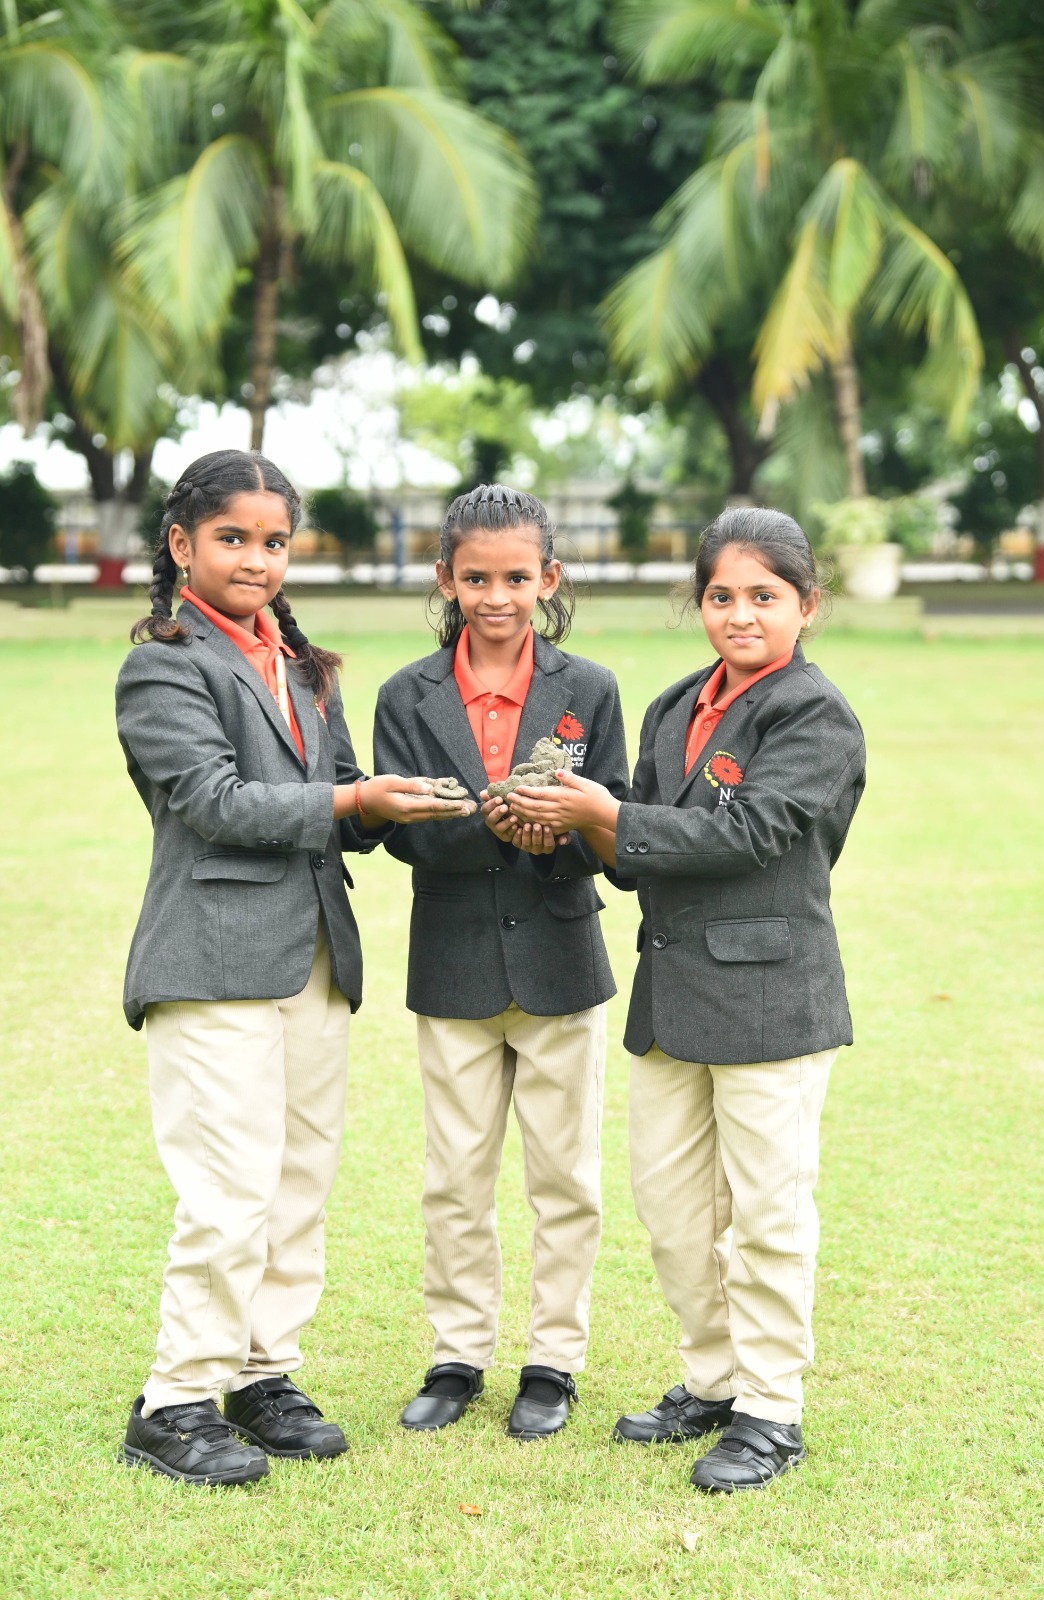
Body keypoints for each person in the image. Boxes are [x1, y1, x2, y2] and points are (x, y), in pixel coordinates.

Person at [115, 449, 469, 1486]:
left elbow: (342, 799)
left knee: (297, 1181)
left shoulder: (306, 667)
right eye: (232, 538)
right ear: (181, 545)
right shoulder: (164, 666)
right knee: (228, 1189)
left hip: (314, 954)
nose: (256, 560)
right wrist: (355, 801)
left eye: (274, 542)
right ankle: (176, 1398)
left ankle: (262, 1374)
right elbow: (214, 803)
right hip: (211, 957)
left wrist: (410, 802)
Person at [506, 507, 865, 1491]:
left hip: (773, 1002)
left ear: (807, 605)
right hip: (671, 999)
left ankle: (771, 1408)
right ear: (697, 601)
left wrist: (608, 812)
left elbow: (751, 835)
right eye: (721, 595)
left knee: (767, 1217)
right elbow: (634, 856)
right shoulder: (674, 707)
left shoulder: (815, 715)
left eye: (764, 596)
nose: (740, 614)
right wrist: (563, 822)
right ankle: (712, 1380)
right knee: (671, 1212)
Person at [373, 484, 629, 1440]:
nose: (496, 596)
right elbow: (400, 829)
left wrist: (554, 835)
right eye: (476, 578)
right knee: (455, 1176)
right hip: (452, 966)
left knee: (566, 1178)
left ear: (547, 579)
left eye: (516, 578)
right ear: (446, 579)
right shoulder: (406, 694)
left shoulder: (589, 689)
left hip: (561, 958)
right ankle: (458, 1354)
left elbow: (613, 817)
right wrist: (491, 822)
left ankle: (553, 1361)